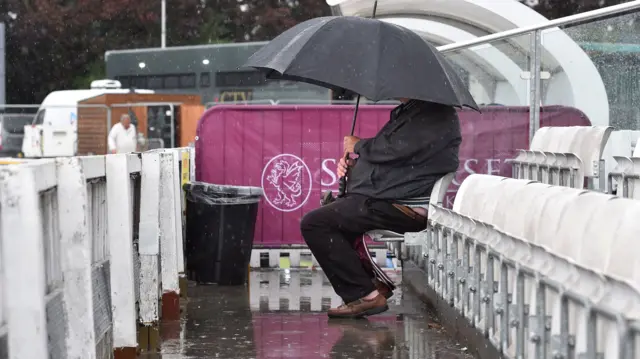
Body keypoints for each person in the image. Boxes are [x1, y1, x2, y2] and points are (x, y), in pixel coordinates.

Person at [300, 99, 461, 319]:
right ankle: (374, 283)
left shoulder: (434, 114)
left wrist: (358, 146)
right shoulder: (415, 112)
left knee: (316, 223)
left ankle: (366, 295)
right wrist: (353, 167)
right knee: (331, 213)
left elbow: (394, 150)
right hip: (390, 198)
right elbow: (392, 161)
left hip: (402, 205)